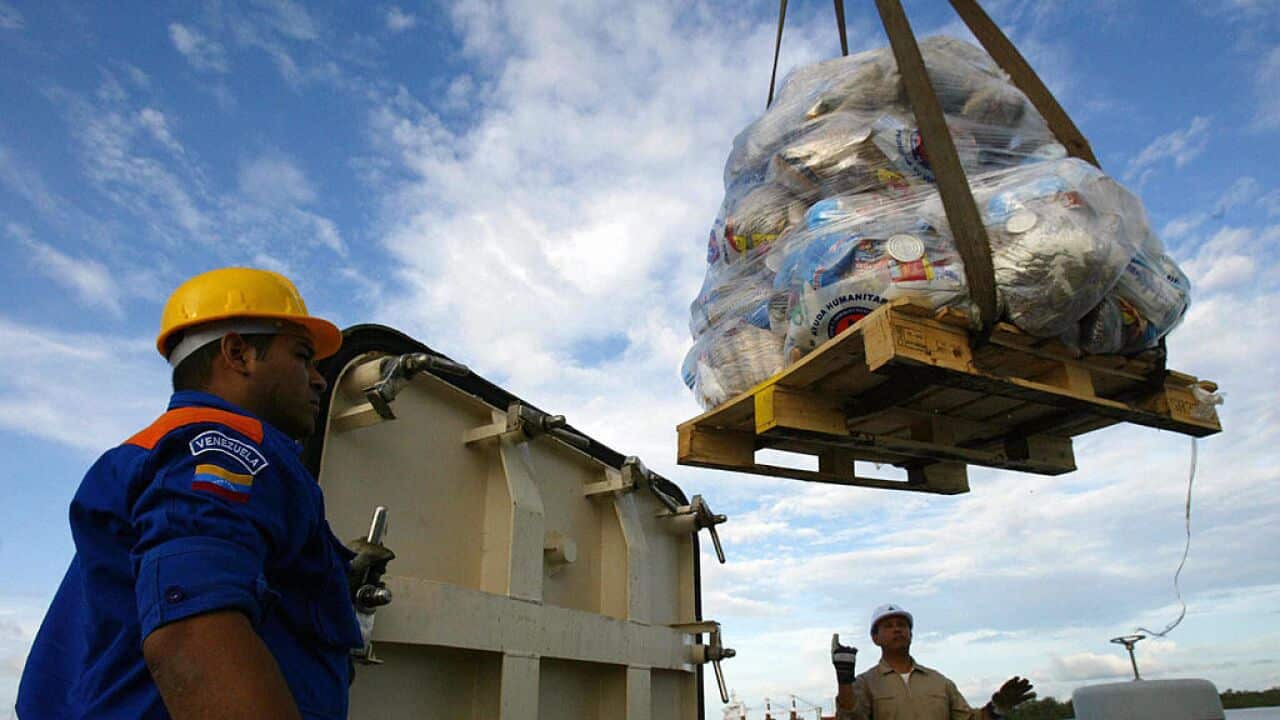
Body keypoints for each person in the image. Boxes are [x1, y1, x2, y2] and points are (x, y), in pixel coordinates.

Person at [16, 267, 392, 719]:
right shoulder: (225, 448)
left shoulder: (155, 452)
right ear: (238, 353)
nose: (319, 379)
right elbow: (191, 637)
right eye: (303, 356)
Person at [832, 604, 1036, 720]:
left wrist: (996, 709)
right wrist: (844, 681)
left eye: (902, 625)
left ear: (911, 634)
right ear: (875, 638)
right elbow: (850, 717)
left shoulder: (939, 682)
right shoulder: (865, 683)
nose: (897, 629)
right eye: (888, 626)